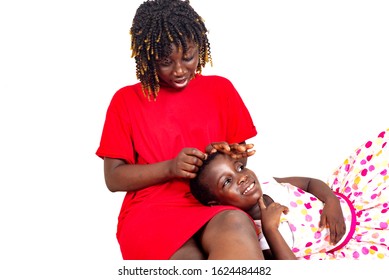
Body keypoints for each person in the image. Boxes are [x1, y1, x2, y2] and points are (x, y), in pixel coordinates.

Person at [96, 0, 261, 260]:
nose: (180, 70)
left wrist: (225, 155)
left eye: (188, 57)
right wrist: (171, 167)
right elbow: (114, 178)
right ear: (147, 55)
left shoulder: (221, 90)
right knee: (188, 263)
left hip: (214, 201)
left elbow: (238, 162)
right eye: (165, 62)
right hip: (152, 210)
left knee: (236, 224)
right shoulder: (126, 101)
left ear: (200, 48)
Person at [190, 128, 389, 260]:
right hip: (361, 242)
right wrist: (270, 229)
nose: (241, 178)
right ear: (215, 203)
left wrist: (331, 200)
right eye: (227, 181)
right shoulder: (258, 239)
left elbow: (310, 183)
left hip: (358, 204)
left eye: (239, 168)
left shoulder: (269, 183)